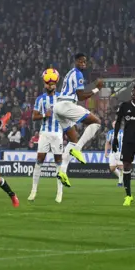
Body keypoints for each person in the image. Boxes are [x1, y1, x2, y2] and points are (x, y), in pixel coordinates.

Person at [53, 53, 104, 187]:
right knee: (97, 122)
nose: (83, 64)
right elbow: (81, 97)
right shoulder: (78, 74)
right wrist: (97, 89)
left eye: (85, 62)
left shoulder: (70, 73)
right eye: (81, 61)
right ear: (75, 61)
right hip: (67, 105)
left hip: (58, 107)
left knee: (73, 140)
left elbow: (79, 93)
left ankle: (62, 172)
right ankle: (78, 149)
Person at [28, 80, 65, 203]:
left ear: (55, 85)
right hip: (44, 133)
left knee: (58, 162)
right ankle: (33, 191)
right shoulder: (40, 99)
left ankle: (59, 192)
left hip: (58, 133)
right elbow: (34, 116)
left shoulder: (60, 98)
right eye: (48, 84)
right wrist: (44, 115)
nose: (50, 86)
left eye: (52, 84)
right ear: (44, 85)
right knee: (39, 160)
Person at [104, 121, 124, 187]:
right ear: (112, 125)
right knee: (112, 168)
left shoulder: (123, 132)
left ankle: (120, 182)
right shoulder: (110, 133)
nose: (115, 125)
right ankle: (121, 178)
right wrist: (106, 152)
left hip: (120, 152)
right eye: (113, 124)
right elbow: (107, 142)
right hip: (112, 153)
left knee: (121, 167)